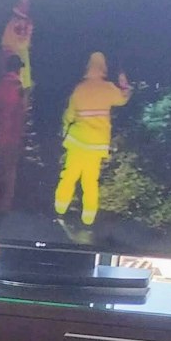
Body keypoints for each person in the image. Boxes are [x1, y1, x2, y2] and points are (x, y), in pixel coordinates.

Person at [55, 51, 132, 227]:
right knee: (90, 181)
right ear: (103, 68)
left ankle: (59, 211)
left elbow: (69, 115)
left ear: (88, 67)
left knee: (69, 176)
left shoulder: (80, 88)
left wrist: (65, 131)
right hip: (96, 145)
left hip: (77, 141)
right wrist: (124, 83)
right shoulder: (108, 88)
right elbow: (123, 99)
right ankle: (88, 219)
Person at [0, 55, 26, 212]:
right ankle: (4, 206)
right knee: (9, 172)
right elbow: (20, 115)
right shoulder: (19, 88)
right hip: (12, 138)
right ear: (18, 69)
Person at [0, 0, 35, 93]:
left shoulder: (18, 21)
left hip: (16, 67)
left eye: (28, 3)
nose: (27, 6)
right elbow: (21, 44)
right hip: (15, 69)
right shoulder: (17, 22)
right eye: (24, 3)